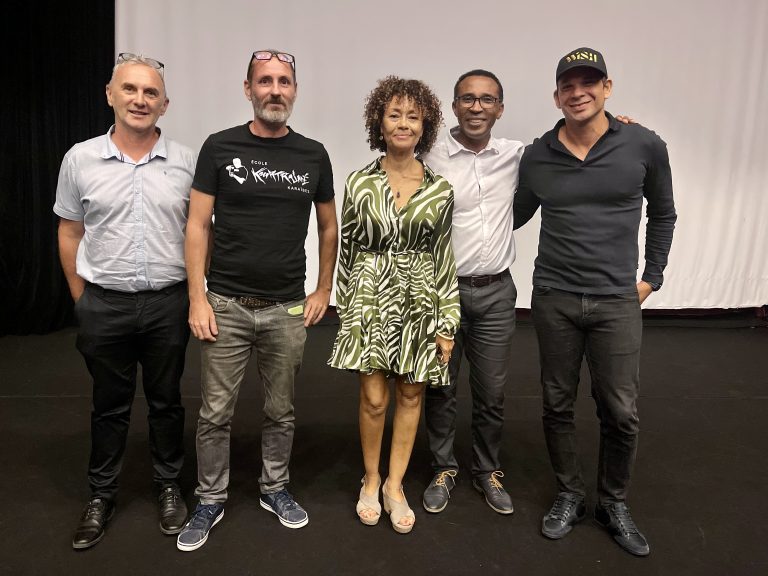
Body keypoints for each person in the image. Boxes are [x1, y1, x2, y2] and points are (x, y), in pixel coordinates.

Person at [514, 47, 676, 556]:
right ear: (556, 96)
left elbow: (664, 213)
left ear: (607, 88)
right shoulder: (539, 154)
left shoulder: (643, 144)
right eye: (568, 85)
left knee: (620, 410)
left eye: (589, 82)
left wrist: (652, 278)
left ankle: (613, 502)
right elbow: (510, 215)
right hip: (554, 297)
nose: (578, 92)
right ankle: (570, 494)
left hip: (615, 301)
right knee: (557, 403)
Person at [176, 49, 338, 552]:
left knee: (281, 410)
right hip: (225, 304)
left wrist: (324, 288)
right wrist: (197, 297)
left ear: (295, 90)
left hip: (286, 308)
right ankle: (210, 498)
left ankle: (274, 488)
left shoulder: (313, 154)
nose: (275, 90)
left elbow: (328, 226)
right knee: (214, 413)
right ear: (248, 89)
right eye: (265, 81)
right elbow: (197, 225)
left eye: (284, 81)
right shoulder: (220, 146)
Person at [54, 52, 195, 550]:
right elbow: (69, 231)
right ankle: (101, 494)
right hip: (104, 304)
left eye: (150, 92)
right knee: (108, 406)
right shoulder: (80, 159)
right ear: (110, 95)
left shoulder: (186, 163)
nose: (140, 99)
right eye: (130, 89)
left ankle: (168, 485)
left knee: (166, 402)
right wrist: (82, 299)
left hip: (167, 305)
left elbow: (201, 233)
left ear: (164, 104)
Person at [328, 76, 460, 534]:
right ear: (379, 123)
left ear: (425, 126)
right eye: (394, 115)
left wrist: (447, 322)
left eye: (413, 116)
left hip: (421, 301)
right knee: (373, 398)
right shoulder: (359, 183)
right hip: (368, 298)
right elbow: (348, 250)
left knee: (411, 394)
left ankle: (394, 485)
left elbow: (444, 257)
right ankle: (370, 478)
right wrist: (347, 310)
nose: (403, 124)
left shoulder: (440, 189)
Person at [421, 70, 523, 515]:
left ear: (500, 108)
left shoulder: (516, 155)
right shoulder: (430, 156)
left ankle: (487, 470)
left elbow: (569, 144)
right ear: (454, 106)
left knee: (492, 393)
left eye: (486, 99)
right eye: (467, 98)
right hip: (443, 293)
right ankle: (443, 468)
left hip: (497, 293)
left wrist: (618, 124)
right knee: (440, 388)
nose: (477, 107)